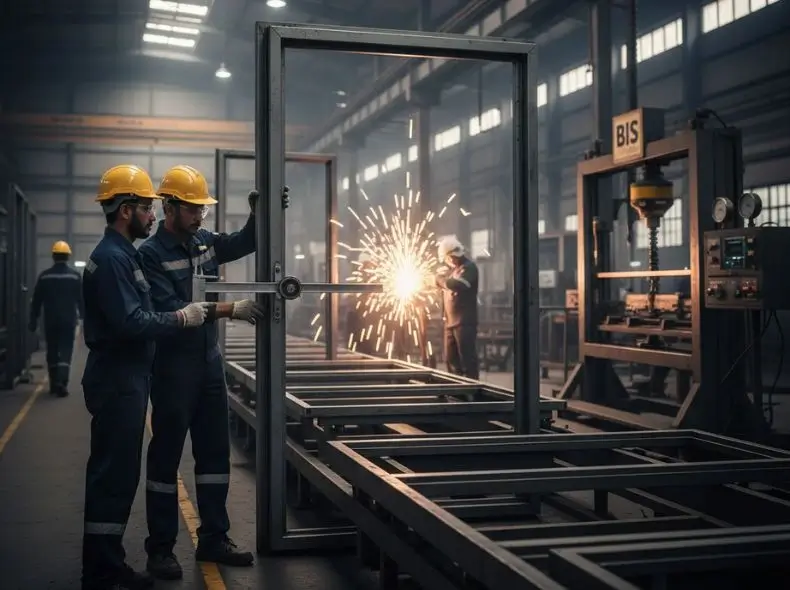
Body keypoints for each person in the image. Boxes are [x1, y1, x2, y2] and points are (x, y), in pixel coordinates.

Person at [81, 164, 210, 590]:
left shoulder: (125, 254)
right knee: (113, 476)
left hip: (129, 376)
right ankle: (102, 571)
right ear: (125, 210)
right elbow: (132, 322)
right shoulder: (112, 259)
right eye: (146, 207)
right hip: (118, 377)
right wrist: (180, 317)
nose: (153, 215)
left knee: (119, 474)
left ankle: (107, 565)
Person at [138, 165, 263, 580]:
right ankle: (160, 549)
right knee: (166, 460)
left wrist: (259, 214)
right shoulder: (150, 256)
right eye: (192, 210)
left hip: (208, 366)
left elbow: (246, 242)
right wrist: (232, 309)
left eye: (202, 211)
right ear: (169, 207)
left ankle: (214, 537)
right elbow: (176, 308)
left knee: (214, 456)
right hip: (173, 369)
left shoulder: (204, 242)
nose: (199, 218)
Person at [29, 240, 84, 396]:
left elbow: (36, 301)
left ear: (53, 256)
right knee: (66, 350)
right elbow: (81, 300)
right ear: (68, 257)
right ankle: (62, 382)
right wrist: (85, 319)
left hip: (50, 320)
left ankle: (54, 383)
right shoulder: (74, 277)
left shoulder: (44, 276)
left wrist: (33, 320)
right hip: (68, 321)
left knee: (52, 350)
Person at [435, 235, 480, 380]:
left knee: (467, 361)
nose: (448, 262)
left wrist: (438, 280)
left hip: (464, 323)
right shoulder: (453, 270)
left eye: (449, 258)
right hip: (450, 323)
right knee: (451, 361)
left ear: (452, 255)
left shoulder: (469, 268)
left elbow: (458, 285)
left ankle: (473, 396)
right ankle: (457, 394)